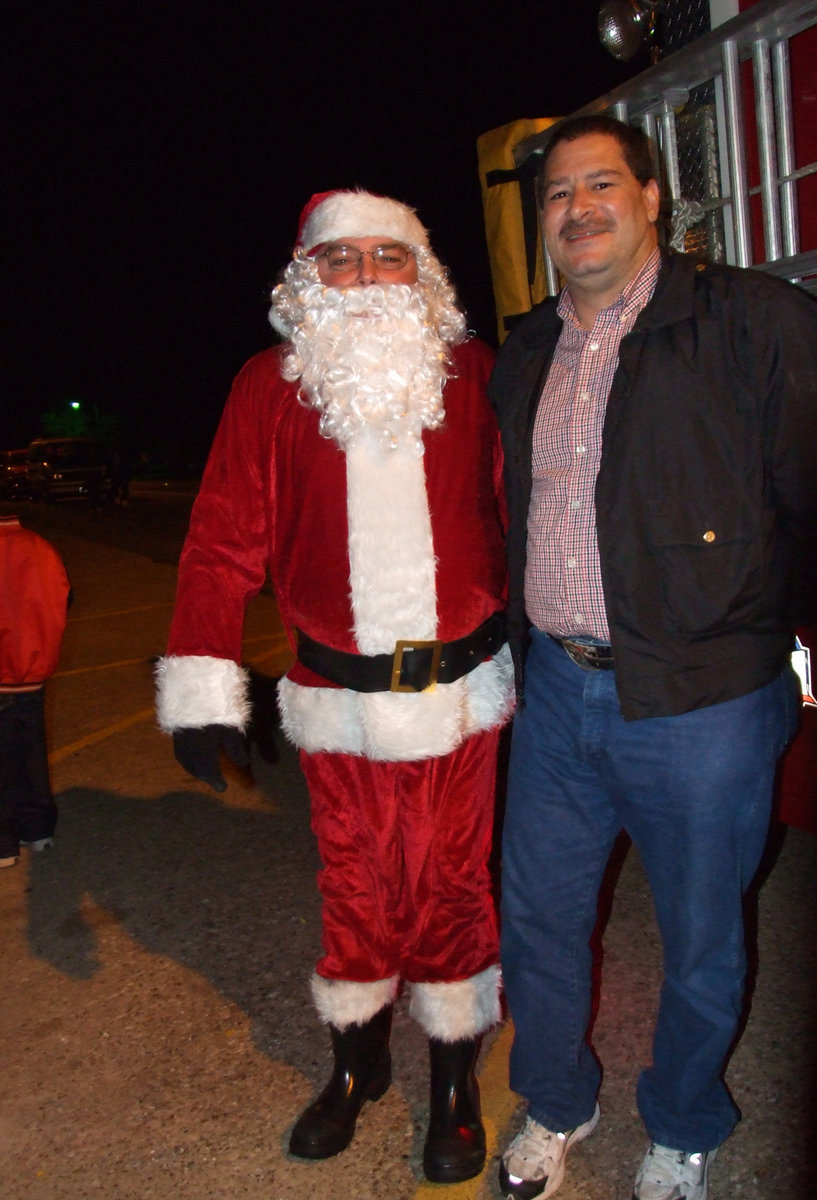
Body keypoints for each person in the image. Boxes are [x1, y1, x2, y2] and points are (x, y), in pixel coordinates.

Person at [488, 114, 817, 1200]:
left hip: (705, 704)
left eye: (601, 185)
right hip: (558, 696)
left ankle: (683, 1124)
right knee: (536, 919)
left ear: (654, 197)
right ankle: (557, 1103)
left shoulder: (754, 323)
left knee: (701, 935)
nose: (577, 208)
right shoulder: (528, 349)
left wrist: (757, 628)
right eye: (558, 194)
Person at [155, 190, 513, 1184]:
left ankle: (453, 1080)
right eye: (341, 258)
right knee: (355, 888)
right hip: (334, 699)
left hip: (460, 696)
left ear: (424, 275)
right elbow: (220, 543)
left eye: (386, 257)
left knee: (451, 885)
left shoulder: (479, 376)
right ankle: (357, 1066)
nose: (363, 277)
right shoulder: (268, 388)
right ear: (307, 277)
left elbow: (526, 515)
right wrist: (202, 684)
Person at [0, 509, 70, 867]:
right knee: (30, 750)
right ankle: (38, 829)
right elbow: (61, 600)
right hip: (33, 668)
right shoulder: (42, 547)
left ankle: (3, 843)